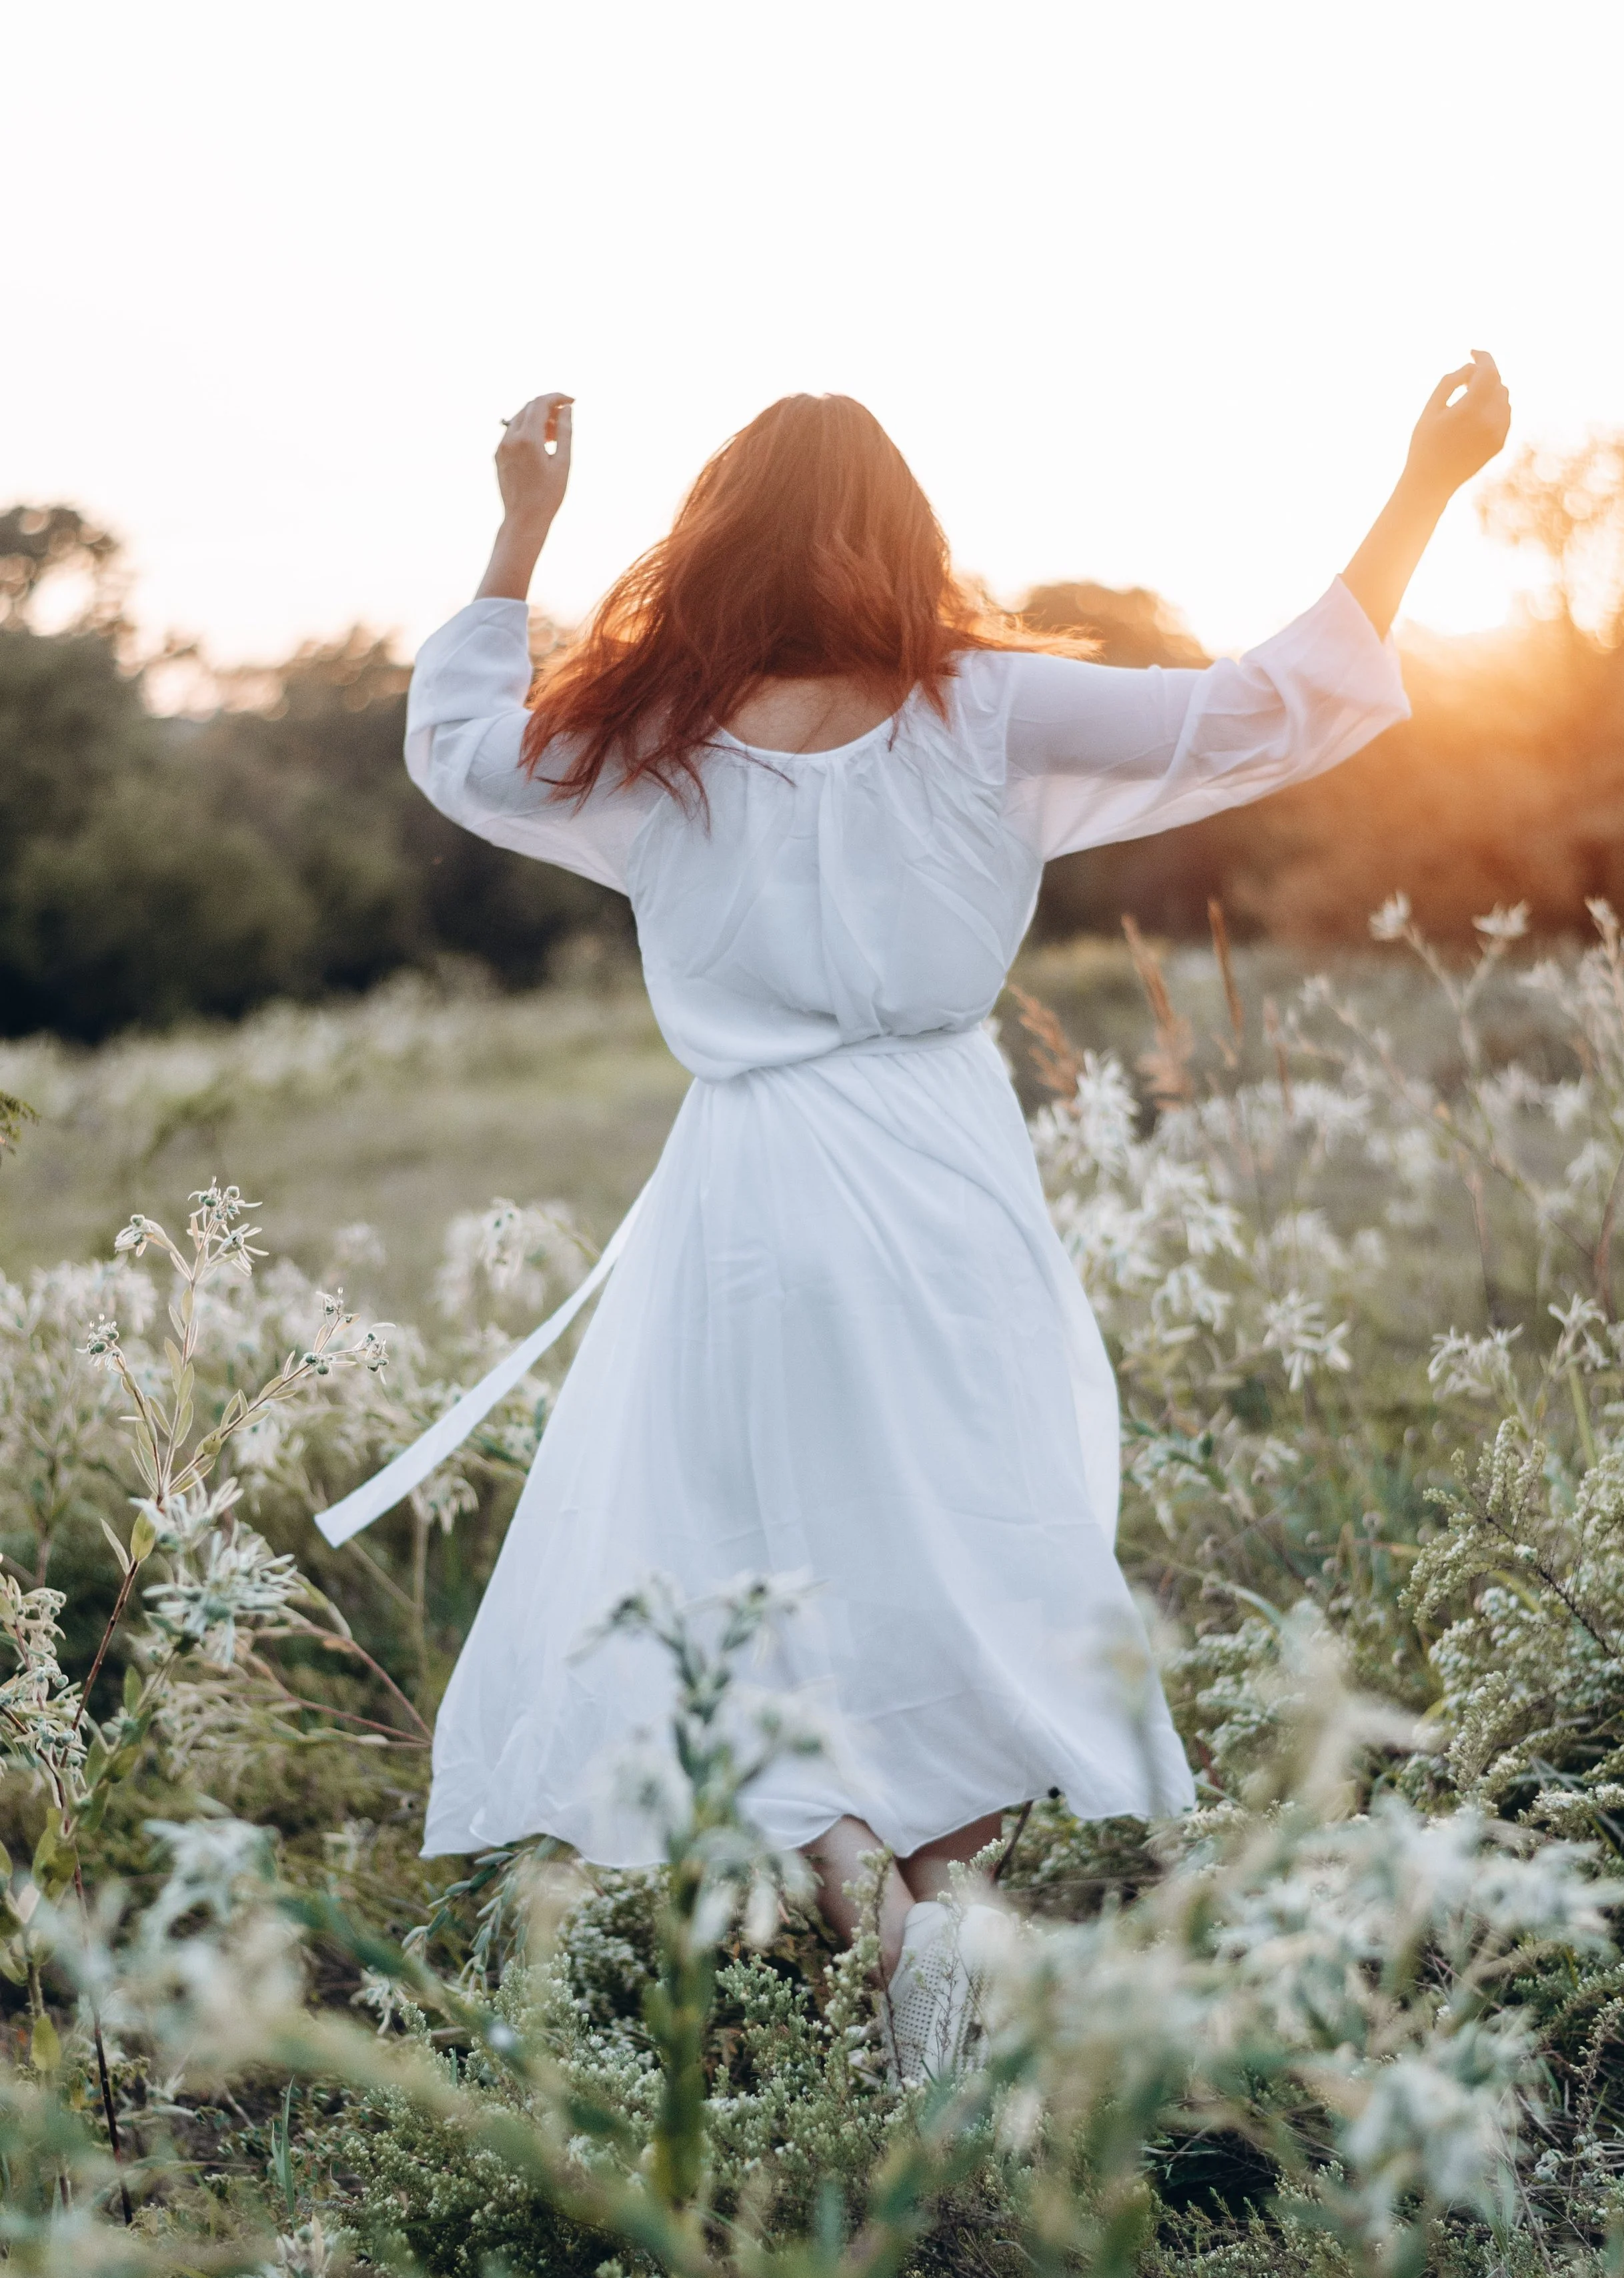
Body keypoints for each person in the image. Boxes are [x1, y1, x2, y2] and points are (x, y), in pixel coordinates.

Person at [396, 360, 1510, 2070]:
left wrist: (516, 529)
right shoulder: (983, 707)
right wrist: (1427, 485)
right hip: (937, 1174)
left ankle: (861, 1885)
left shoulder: (649, 739)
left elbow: (460, 752)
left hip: (747, 1200)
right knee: (966, 1562)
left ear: (708, 551)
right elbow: (1267, 705)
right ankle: (943, 1930)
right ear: (903, 539)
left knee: (739, 1570)